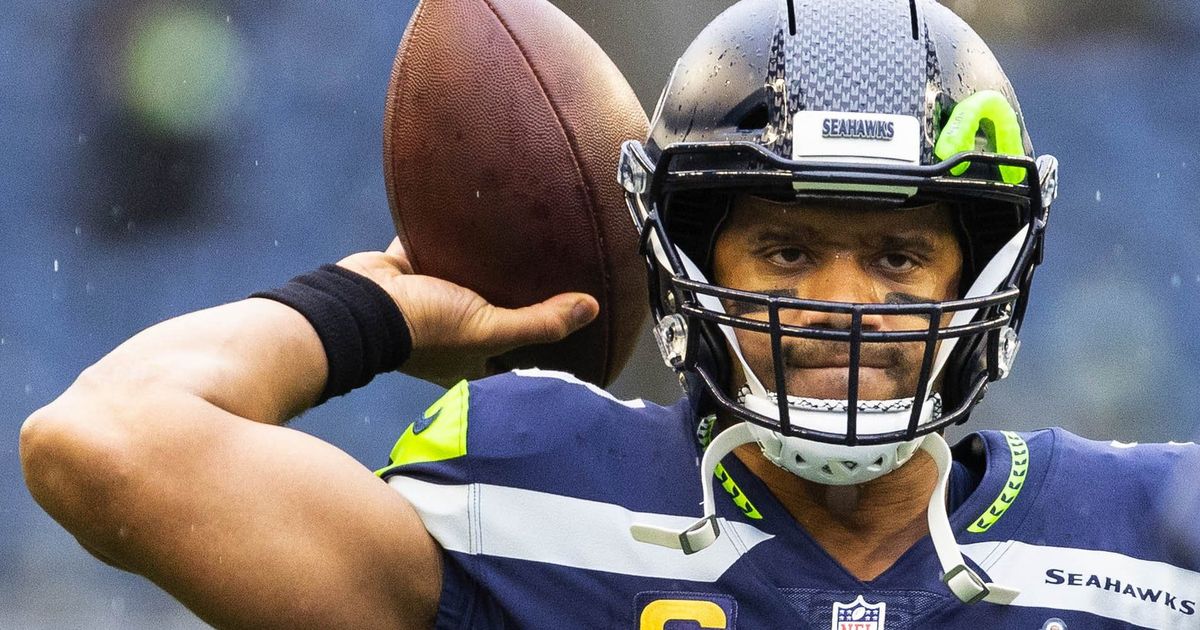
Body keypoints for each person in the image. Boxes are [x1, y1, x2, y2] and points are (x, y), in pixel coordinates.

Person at [19, 0, 1199, 628]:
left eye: (898, 255)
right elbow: (105, 445)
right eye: (787, 251)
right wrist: (371, 311)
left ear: (980, 276)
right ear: (680, 258)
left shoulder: (1148, 538)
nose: (844, 307)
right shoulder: (530, 501)